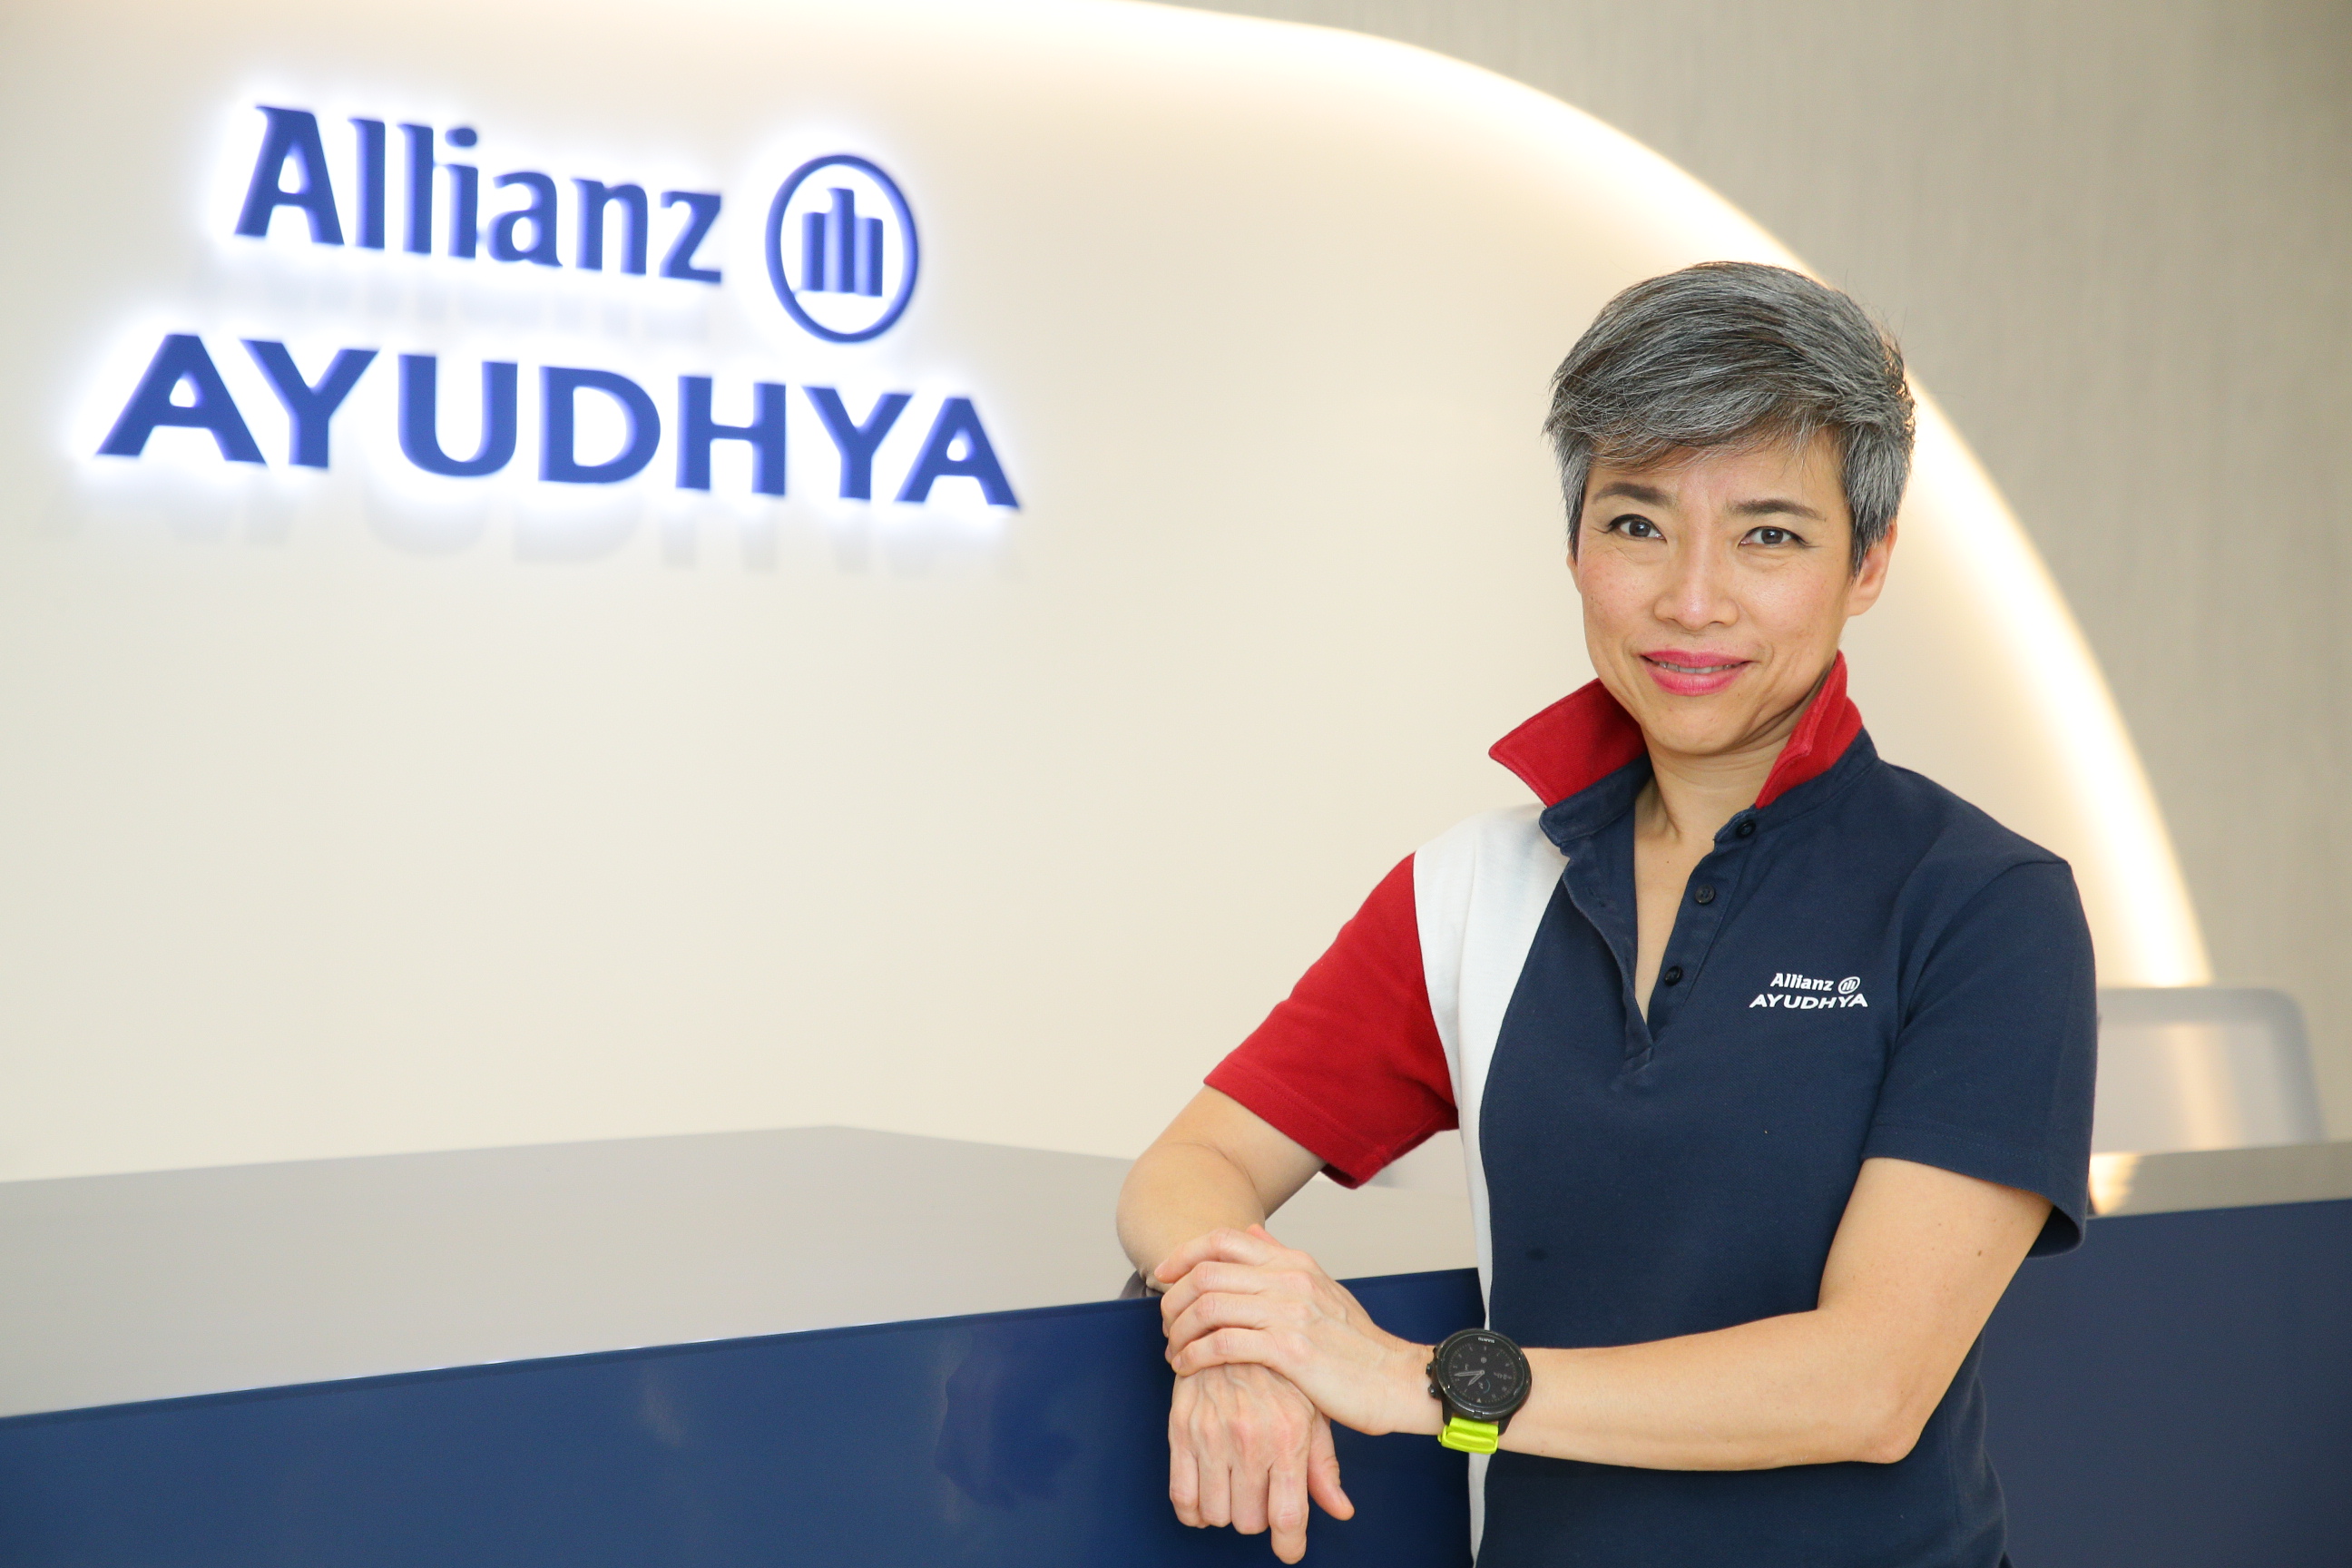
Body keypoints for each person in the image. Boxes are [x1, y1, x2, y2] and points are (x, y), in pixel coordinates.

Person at [1115, 261, 2096, 1568]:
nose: (1692, 600)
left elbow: (1868, 1386)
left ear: (1868, 565)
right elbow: (1189, 1169)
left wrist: (1411, 1381)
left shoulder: (1983, 904)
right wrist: (1236, 1337)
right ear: (1576, 546)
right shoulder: (1473, 888)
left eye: (1769, 536)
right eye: (1638, 524)